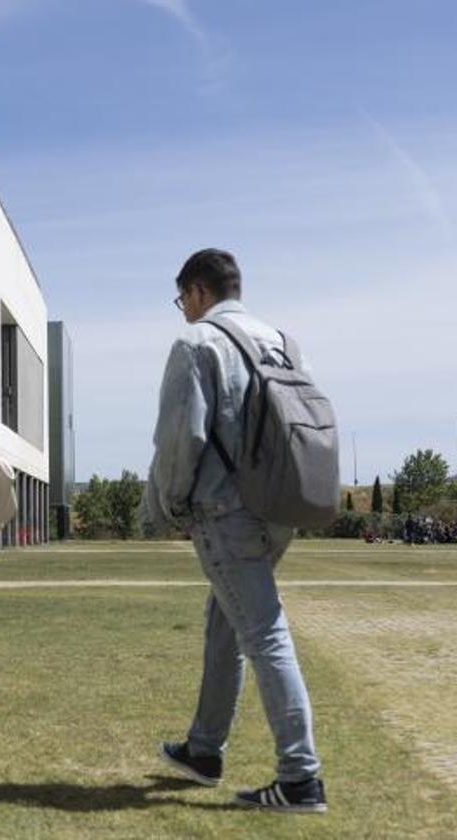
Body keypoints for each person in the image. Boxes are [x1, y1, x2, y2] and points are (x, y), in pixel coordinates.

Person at [143, 249, 328, 813]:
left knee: (264, 633)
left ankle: (301, 778)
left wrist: (169, 507)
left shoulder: (197, 344)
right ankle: (204, 749)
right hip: (279, 509)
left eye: (183, 300)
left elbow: (180, 439)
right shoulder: (281, 342)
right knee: (227, 621)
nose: (183, 311)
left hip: (225, 512)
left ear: (198, 292)